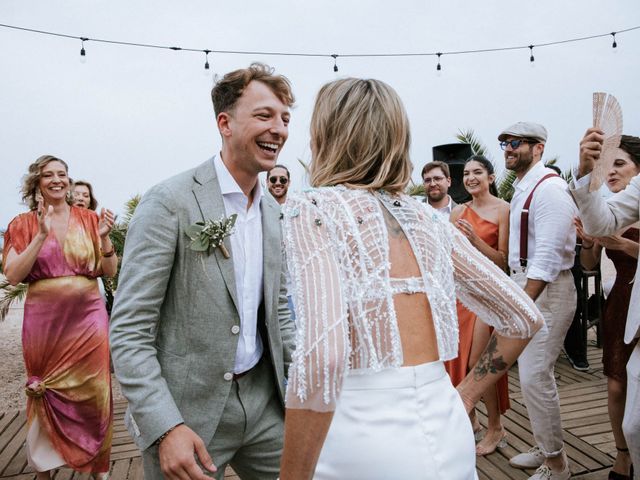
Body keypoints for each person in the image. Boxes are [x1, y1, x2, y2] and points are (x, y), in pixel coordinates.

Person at [278, 78, 544, 480]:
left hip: (357, 438)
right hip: (445, 424)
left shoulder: (313, 208)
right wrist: (464, 397)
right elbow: (524, 317)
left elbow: (323, 359)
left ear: (326, 134)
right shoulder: (429, 220)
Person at [109, 63, 296, 480]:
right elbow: (129, 330)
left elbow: (279, 312)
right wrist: (165, 426)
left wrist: (300, 383)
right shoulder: (168, 202)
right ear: (224, 123)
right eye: (264, 115)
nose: (279, 129)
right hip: (185, 414)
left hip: (268, 404)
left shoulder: (272, 211)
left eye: (285, 119)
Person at [2, 155, 117, 480]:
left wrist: (106, 236)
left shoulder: (89, 219)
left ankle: (98, 469)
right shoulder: (21, 224)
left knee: (95, 394)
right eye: (48, 174)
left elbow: (108, 271)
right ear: (36, 182)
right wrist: (40, 236)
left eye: (62, 174)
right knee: (46, 394)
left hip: (89, 324)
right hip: (45, 328)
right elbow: (12, 275)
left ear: (68, 179)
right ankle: (46, 470)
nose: (57, 179)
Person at [500, 122, 577, 480]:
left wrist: (522, 304)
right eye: (505, 143)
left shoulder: (550, 189)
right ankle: (546, 445)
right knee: (533, 377)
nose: (508, 148)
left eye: (516, 142)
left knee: (534, 376)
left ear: (539, 148)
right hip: (527, 285)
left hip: (547, 289)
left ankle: (558, 464)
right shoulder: (524, 188)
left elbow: (546, 257)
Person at [570, 131, 640, 480]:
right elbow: (587, 266)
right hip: (620, 303)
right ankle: (622, 454)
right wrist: (589, 243)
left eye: (619, 163)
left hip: (635, 293)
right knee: (617, 383)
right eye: (605, 165)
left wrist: (623, 245)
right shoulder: (610, 206)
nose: (610, 172)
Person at [445, 155, 511, 457]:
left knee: (479, 362)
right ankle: (470, 421)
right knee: (456, 361)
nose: (471, 177)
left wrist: (475, 242)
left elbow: (503, 260)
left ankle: (496, 426)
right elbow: (448, 256)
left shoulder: (503, 210)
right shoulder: (458, 211)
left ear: (491, 177)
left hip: (487, 294)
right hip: (460, 295)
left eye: (478, 172)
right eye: (467, 173)